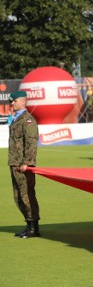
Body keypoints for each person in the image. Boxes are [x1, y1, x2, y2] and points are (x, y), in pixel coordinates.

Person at [7, 91, 41, 238]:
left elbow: (32, 144)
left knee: (27, 195)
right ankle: (28, 225)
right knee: (18, 196)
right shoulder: (17, 119)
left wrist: (26, 163)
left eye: (14, 101)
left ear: (22, 102)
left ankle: (33, 227)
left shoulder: (28, 120)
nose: (11, 104)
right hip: (15, 164)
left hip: (23, 165)